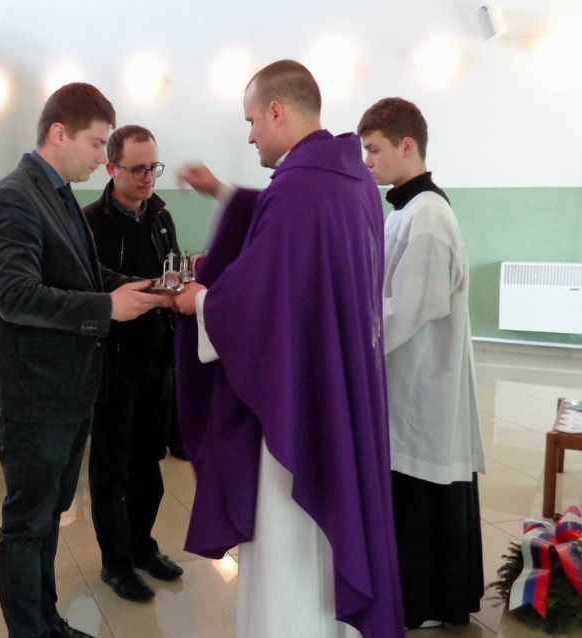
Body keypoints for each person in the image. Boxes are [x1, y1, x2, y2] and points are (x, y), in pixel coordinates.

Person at [173, 60, 403, 637]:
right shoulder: (350, 179)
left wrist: (201, 302)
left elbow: (261, 301)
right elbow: (289, 257)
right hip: (339, 379)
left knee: (292, 538)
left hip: (298, 391)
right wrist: (222, 192)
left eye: (251, 121)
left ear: (277, 111)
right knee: (332, 523)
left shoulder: (301, 186)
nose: (250, 135)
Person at [0, 82, 166, 638]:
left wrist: (139, 286)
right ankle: (28, 631)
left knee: (49, 516)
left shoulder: (57, 193)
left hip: (67, 386)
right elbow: (15, 297)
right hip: (32, 388)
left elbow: (81, 274)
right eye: (97, 143)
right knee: (27, 522)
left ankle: (47, 621)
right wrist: (106, 308)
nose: (101, 156)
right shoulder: (14, 195)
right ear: (59, 133)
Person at [357, 97, 485, 629]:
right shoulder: (407, 210)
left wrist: (351, 337)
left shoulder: (428, 215)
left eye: (374, 150)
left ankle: (427, 603)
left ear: (407, 145)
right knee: (411, 493)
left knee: (421, 492)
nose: (367, 161)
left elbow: (411, 307)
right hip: (409, 374)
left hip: (423, 382)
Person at [82, 124, 182, 602]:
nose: (147, 178)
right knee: (112, 468)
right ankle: (116, 563)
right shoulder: (91, 222)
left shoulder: (160, 215)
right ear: (111, 167)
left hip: (156, 356)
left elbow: (173, 267)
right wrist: (143, 289)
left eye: (153, 168)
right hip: (113, 361)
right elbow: (87, 280)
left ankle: (142, 545)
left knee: (149, 462)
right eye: (137, 169)